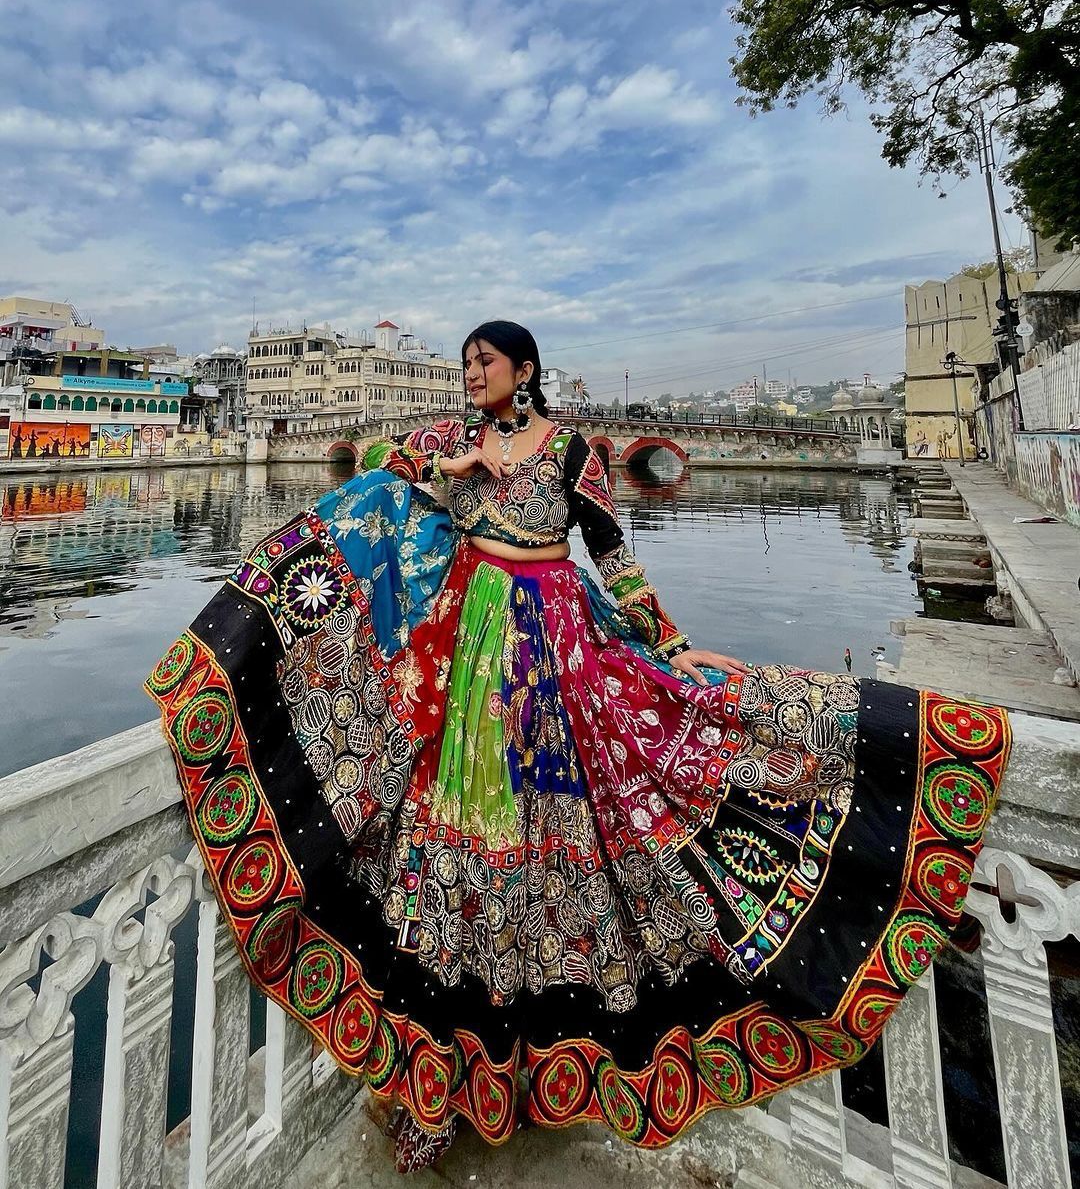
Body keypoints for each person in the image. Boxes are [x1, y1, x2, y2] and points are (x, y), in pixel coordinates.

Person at [145, 320, 1010, 1175]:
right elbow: (372, 467)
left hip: (556, 655)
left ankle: (521, 1065)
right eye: (466, 362)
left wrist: (670, 642)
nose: (472, 373)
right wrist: (450, 470)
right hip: (467, 654)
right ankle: (437, 1084)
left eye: (484, 361)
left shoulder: (570, 454)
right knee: (451, 855)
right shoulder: (453, 438)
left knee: (552, 850)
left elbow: (611, 555)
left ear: (523, 370)